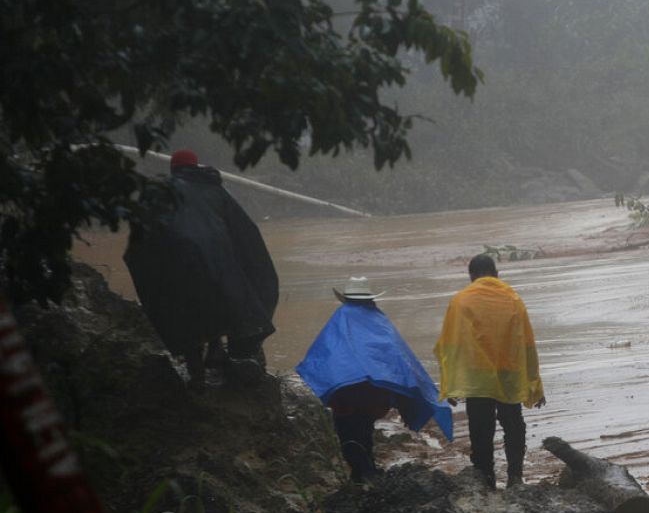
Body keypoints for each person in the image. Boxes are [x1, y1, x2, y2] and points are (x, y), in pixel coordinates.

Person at [123, 149, 277, 391]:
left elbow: (142, 233)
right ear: (195, 167)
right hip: (219, 265)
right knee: (220, 301)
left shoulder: (156, 191)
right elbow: (245, 232)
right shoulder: (214, 189)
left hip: (178, 266)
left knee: (186, 315)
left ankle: (197, 378)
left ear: (173, 168)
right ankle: (217, 355)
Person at [297, 276, 453, 484]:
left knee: (349, 435)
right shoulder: (378, 320)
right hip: (373, 396)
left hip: (346, 395)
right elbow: (399, 360)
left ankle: (362, 475)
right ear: (370, 299)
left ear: (346, 299)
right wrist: (404, 400)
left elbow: (325, 355)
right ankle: (367, 471)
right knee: (364, 430)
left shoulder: (340, 319)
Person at [435, 254, 545, 489]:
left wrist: (451, 384)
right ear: (497, 274)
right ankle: (515, 476)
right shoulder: (512, 299)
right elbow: (527, 344)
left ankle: (486, 480)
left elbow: (450, 345)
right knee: (513, 424)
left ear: (471, 276)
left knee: (480, 430)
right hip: (508, 375)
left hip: (477, 377)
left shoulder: (460, 301)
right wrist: (535, 384)